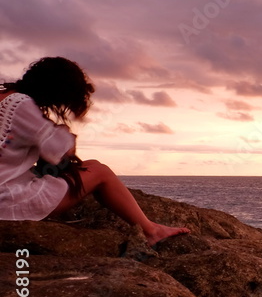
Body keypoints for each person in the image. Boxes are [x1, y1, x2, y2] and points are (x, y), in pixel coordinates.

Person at [0, 57, 189, 246]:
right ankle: (152, 231)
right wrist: (63, 132)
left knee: (92, 166)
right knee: (100, 172)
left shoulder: (5, 93)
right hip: (7, 201)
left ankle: (151, 229)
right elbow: (62, 149)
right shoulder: (21, 105)